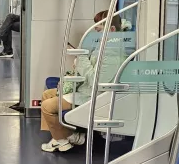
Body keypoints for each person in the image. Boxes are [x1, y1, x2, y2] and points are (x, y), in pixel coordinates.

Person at [41, 11, 121, 153]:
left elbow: (96, 81)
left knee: (47, 106)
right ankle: (59, 137)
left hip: (92, 95)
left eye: (99, 30)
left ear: (112, 30)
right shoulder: (104, 46)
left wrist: (81, 58)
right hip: (85, 89)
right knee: (47, 94)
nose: (96, 35)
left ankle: (64, 139)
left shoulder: (112, 52)